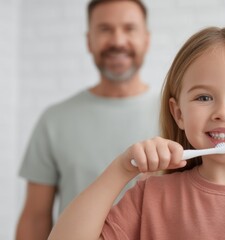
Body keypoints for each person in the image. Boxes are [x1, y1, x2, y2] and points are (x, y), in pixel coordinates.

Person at [47, 26, 225, 240]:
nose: (224, 111)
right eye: (204, 98)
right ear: (179, 113)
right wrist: (122, 169)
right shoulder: (150, 196)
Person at [16, 1, 158, 240]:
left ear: (146, 39)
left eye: (129, 28)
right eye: (105, 29)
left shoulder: (179, 116)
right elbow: (35, 216)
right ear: (88, 41)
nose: (118, 41)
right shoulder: (54, 120)